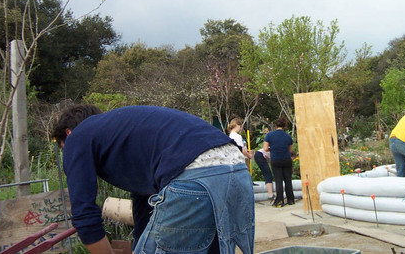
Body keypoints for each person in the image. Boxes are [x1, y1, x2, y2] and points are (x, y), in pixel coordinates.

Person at [52, 105, 255, 254]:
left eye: (63, 147)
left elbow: (84, 215)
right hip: (236, 168)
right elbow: (146, 201)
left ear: (68, 134)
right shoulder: (127, 131)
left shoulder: (77, 138)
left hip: (195, 174)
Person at [263, 117, 294, 207]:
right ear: (284, 126)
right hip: (286, 159)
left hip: (276, 159)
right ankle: (290, 199)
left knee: (278, 180)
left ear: (275, 125)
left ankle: (279, 200)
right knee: (288, 180)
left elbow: (265, 148)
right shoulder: (288, 136)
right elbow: (290, 150)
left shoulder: (269, 135)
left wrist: (272, 149)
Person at [253, 126, 274, 201]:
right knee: (268, 174)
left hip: (259, 155)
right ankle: (270, 194)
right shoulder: (275, 152)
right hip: (259, 155)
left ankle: (271, 194)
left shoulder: (274, 149)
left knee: (268, 173)